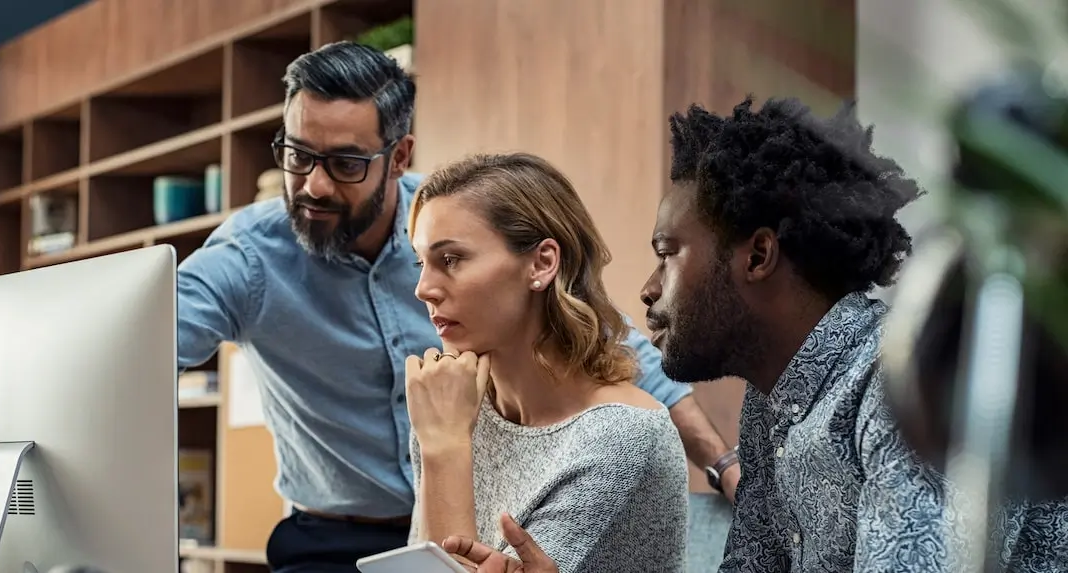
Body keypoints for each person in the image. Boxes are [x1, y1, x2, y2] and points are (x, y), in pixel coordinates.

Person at [175, 41, 736, 572]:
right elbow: (147, 346)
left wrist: (723, 463)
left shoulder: (456, 216)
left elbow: (612, 345)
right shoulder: (249, 258)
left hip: (446, 496)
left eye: (346, 163)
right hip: (333, 532)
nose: (314, 185)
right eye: (298, 156)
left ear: (398, 157)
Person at [444, 97, 1068, 572]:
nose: (648, 291)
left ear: (758, 254)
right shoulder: (773, 405)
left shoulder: (898, 386)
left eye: (669, 253)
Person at [404, 153, 689, 572]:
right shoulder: (453, 408)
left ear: (542, 263)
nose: (423, 288)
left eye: (450, 260)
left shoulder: (623, 437)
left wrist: (445, 447)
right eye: (420, 262)